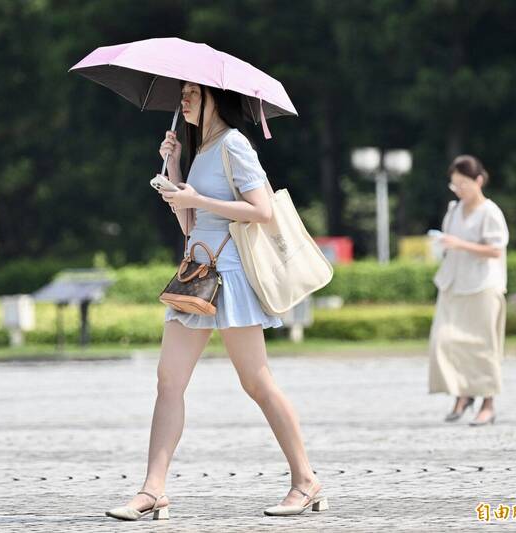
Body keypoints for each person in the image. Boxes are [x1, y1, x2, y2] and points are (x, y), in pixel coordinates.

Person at [105, 83, 325, 521]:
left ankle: (306, 481)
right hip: (196, 275)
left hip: (231, 278)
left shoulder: (233, 144)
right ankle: (152, 489)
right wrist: (173, 171)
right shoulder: (201, 151)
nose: (183, 99)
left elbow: (262, 210)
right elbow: (191, 225)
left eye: (192, 92)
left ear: (214, 97)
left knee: (257, 382)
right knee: (168, 380)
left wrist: (197, 197)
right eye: (183, 92)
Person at [429, 155, 509, 426]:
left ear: (479, 181)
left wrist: (459, 244)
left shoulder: (490, 212)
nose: (459, 190)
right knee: (444, 341)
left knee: (484, 346)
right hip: (453, 284)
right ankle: (462, 393)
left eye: (463, 184)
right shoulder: (453, 210)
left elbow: (496, 250)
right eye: (454, 185)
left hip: (483, 286)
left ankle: (488, 404)